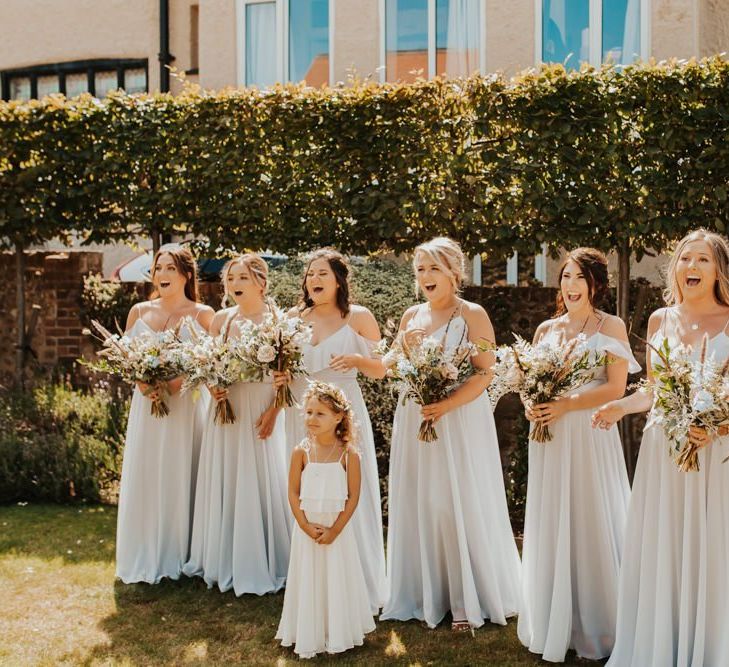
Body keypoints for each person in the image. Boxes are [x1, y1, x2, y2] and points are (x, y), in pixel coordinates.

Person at [594, 229, 729, 667]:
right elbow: (654, 391)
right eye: (686, 259)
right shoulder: (659, 320)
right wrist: (619, 406)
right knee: (666, 542)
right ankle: (663, 642)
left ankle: (709, 646)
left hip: (714, 452)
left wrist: (717, 428)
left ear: (719, 270)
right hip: (663, 450)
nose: (691, 267)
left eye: (703, 260)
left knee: (712, 545)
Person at [381, 237, 521, 631]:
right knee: (422, 499)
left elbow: (485, 371)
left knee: (454, 500)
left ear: (454, 273)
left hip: (459, 419)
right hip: (416, 415)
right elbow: (390, 365)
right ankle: (425, 593)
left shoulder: (473, 314)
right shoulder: (411, 316)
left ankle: (465, 599)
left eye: (434, 268)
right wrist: (403, 351)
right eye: (420, 269)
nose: (426, 276)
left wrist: (447, 404)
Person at [517, 248, 639, 662]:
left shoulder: (611, 325)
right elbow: (528, 384)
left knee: (590, 516)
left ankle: (600, 625)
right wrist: (531, 404)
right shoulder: (546, 330)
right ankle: (556, 621)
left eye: (578, 278)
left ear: (595, 284)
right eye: (565, 277)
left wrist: (568, 404)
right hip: (549, 438)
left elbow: (615, 388)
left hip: (589, 434)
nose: (570, 285)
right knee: (553, 520)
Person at [283, 248, 386, 613]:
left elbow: (383, 368)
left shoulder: (358, 317)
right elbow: (286, 366)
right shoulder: (295, 318)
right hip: (304, 414)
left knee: (347, 490)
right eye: (310, 274)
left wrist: (358, 360)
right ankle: (311, 586)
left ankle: (358, 585)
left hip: (344, 413)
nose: (314, 279)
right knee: (307, 491)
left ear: (340, 279)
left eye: (322, 273)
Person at [183, 253, 291, 595]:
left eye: (242, 278)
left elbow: (286, 376)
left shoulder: (278, 321)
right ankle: (224, 558)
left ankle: (263, 558)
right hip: (225, 409)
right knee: (227, 476)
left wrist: (274, 411)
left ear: (261, 282)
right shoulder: (222, 320)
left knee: (260, 478)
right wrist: (212, 384)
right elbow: (206, 362)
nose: (233, 285)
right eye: (230, 279)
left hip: (260, 406)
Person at [116, 244, 214, 584]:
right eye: (159, 268)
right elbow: (125, 357)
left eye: (171, 268)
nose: (163, 274)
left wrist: (176, 383)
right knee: (148, 471)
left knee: (180, 469)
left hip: (185, 406)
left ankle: (182, 550)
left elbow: (210, 362)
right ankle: (146, 550)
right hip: (147, 406)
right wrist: (144, 383)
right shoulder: (139, 311)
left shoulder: (204, 314)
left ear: (186, 274)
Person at [276, 381, 375, 659]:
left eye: (320, 413)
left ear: (339, 417)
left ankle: (338, 629)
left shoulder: (349, 454)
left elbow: (353, 497)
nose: (312, 419)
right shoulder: (301, 452)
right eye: (308, 412)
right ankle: (307, 630)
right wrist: (305, 526)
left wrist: (335, 530)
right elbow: (293, 493)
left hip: (336, 530)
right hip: (307, 530)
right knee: (309, 577)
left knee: (336, 577)